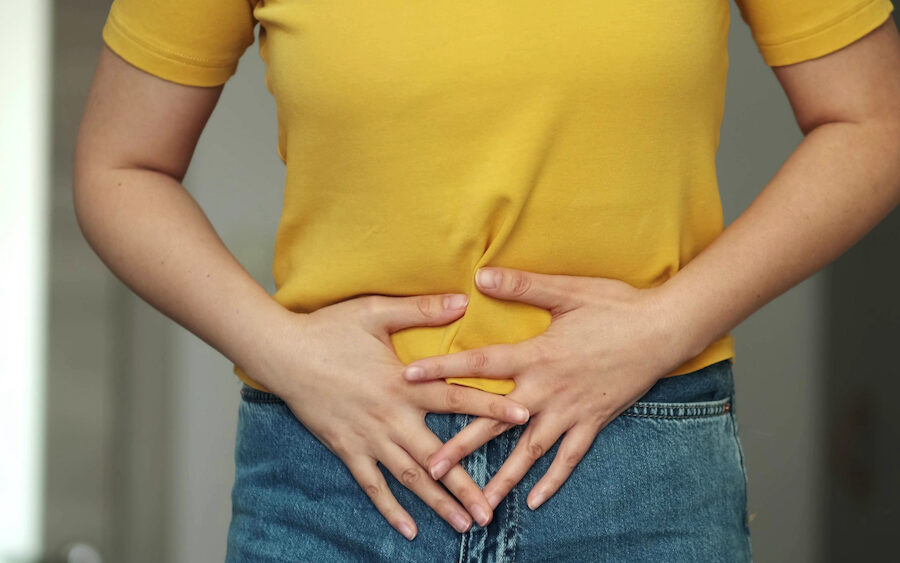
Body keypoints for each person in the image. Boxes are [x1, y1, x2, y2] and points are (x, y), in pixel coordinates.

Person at [73, 0, 900, 560]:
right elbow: (120, 166)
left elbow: (873, 120)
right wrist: (282, 349)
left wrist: (666, 324)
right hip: (332, 472)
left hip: (640, 469)